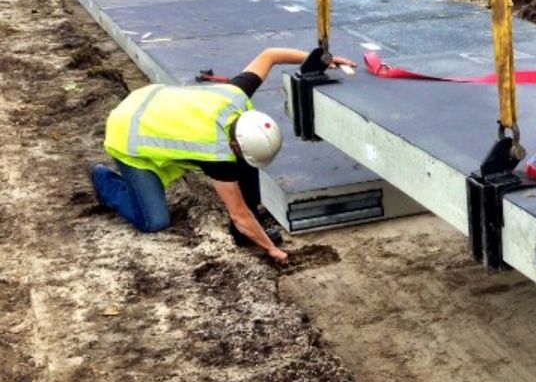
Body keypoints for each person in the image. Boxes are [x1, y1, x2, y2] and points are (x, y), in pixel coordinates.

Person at [89, 47, 355, 263]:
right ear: (235, 145)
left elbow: (270, 55)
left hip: (155, 102)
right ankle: (104, 179)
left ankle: (244, 234)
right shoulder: (215, 153)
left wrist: (320, 59)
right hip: (128, 131)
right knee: (154, 221)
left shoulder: (237, 96)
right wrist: (271, 249)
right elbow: (238, 213)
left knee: (245, 167)